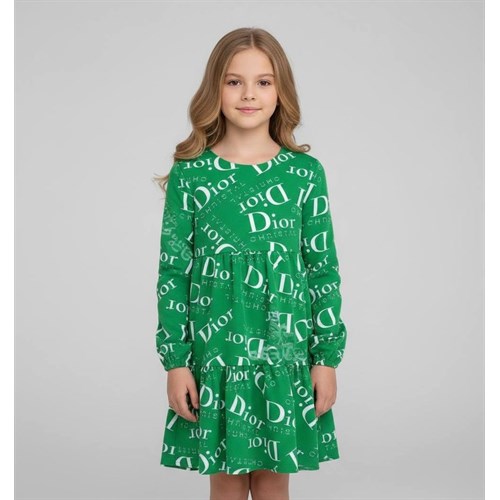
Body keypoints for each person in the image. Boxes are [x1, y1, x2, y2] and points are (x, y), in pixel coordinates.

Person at [152, 27, 347, 500]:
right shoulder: (192, 174)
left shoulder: (303, 174)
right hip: (217, 353)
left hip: (284, 351)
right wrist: (176, 363)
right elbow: (173, 274)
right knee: (225, 480)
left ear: (280, 92)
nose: (248, 95)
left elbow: (322, 269)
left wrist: (325, 359)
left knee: (274, 480)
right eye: (234, 81)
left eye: (263, 82)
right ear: (214, 89)